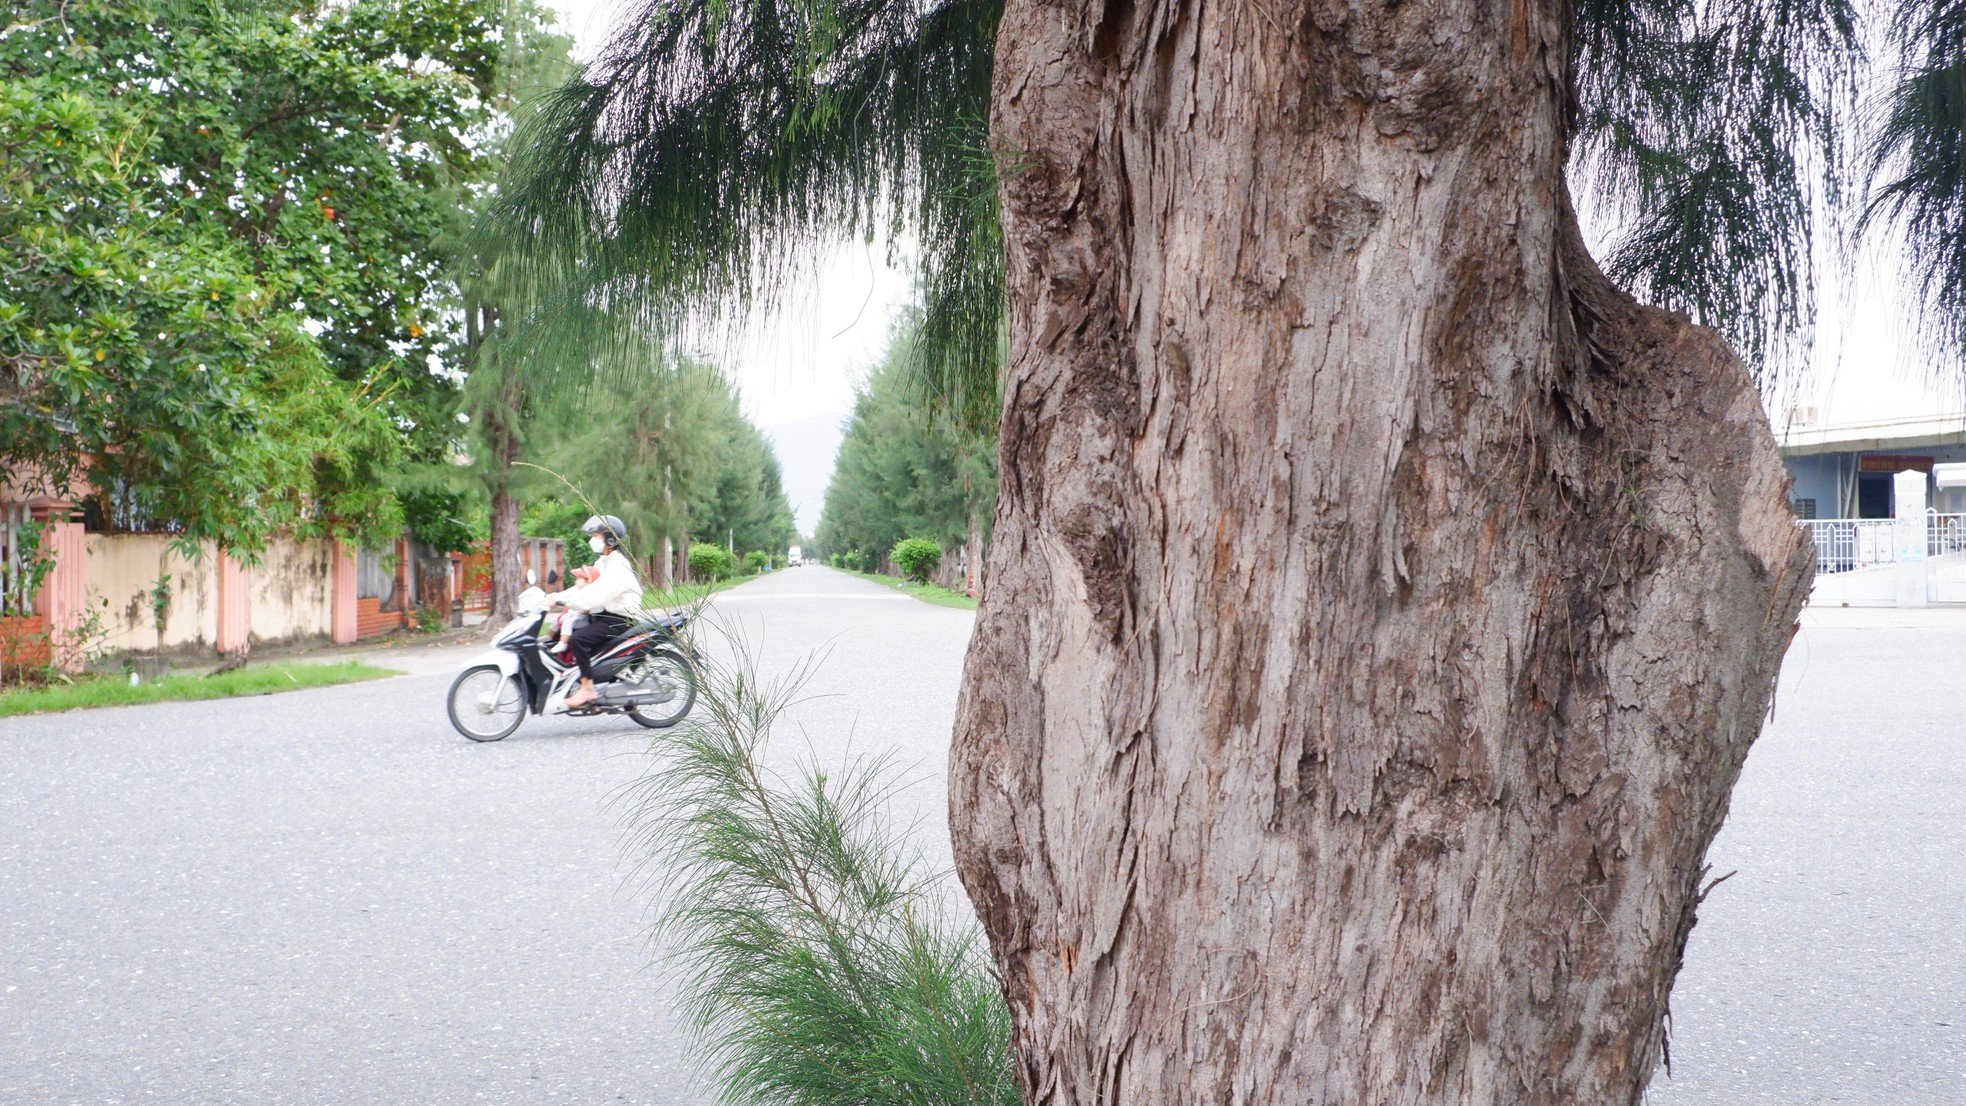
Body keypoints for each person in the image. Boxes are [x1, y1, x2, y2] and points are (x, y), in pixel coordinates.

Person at [554, 515, 642, 708]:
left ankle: (587, 689)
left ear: (610, 539)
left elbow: (596, 595)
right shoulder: (603, 562)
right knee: (569, 631)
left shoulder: (618, 566)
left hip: (621, 619)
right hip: (606, 615)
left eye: (596, 535)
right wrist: (554, 597)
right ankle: (589, 678)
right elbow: (583, 587)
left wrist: (567, 601)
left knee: (579, 639)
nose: (592, 539)